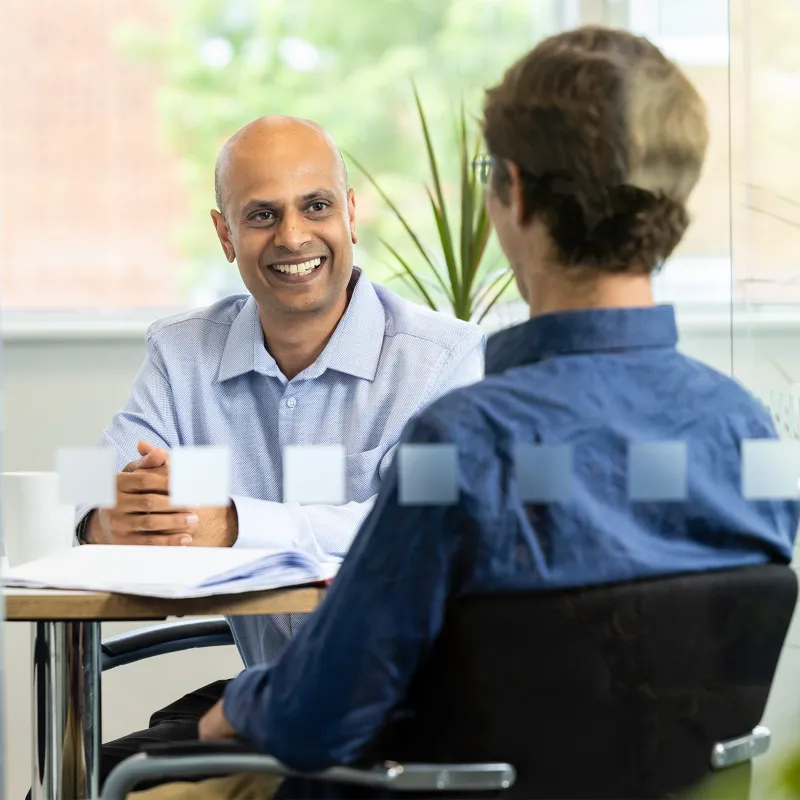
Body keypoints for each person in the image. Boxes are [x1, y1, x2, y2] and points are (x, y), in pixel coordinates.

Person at [127, 26, 799, 800]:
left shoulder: (462, 448)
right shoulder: (748, 438)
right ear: (672, 202)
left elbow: (315, 717)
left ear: (509, 190)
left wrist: (226, 713)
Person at [77, 115, 484, 784]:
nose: (293, 237)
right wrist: (108, 517)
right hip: (269, 698)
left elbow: (423, 533)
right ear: (224, 234)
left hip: (403, 719)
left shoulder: (444, 363)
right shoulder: (183, 353)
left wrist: (235, 525)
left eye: (315, 206)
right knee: (73, 781)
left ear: (350, 214)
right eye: (262, 215)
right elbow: (94, 478)